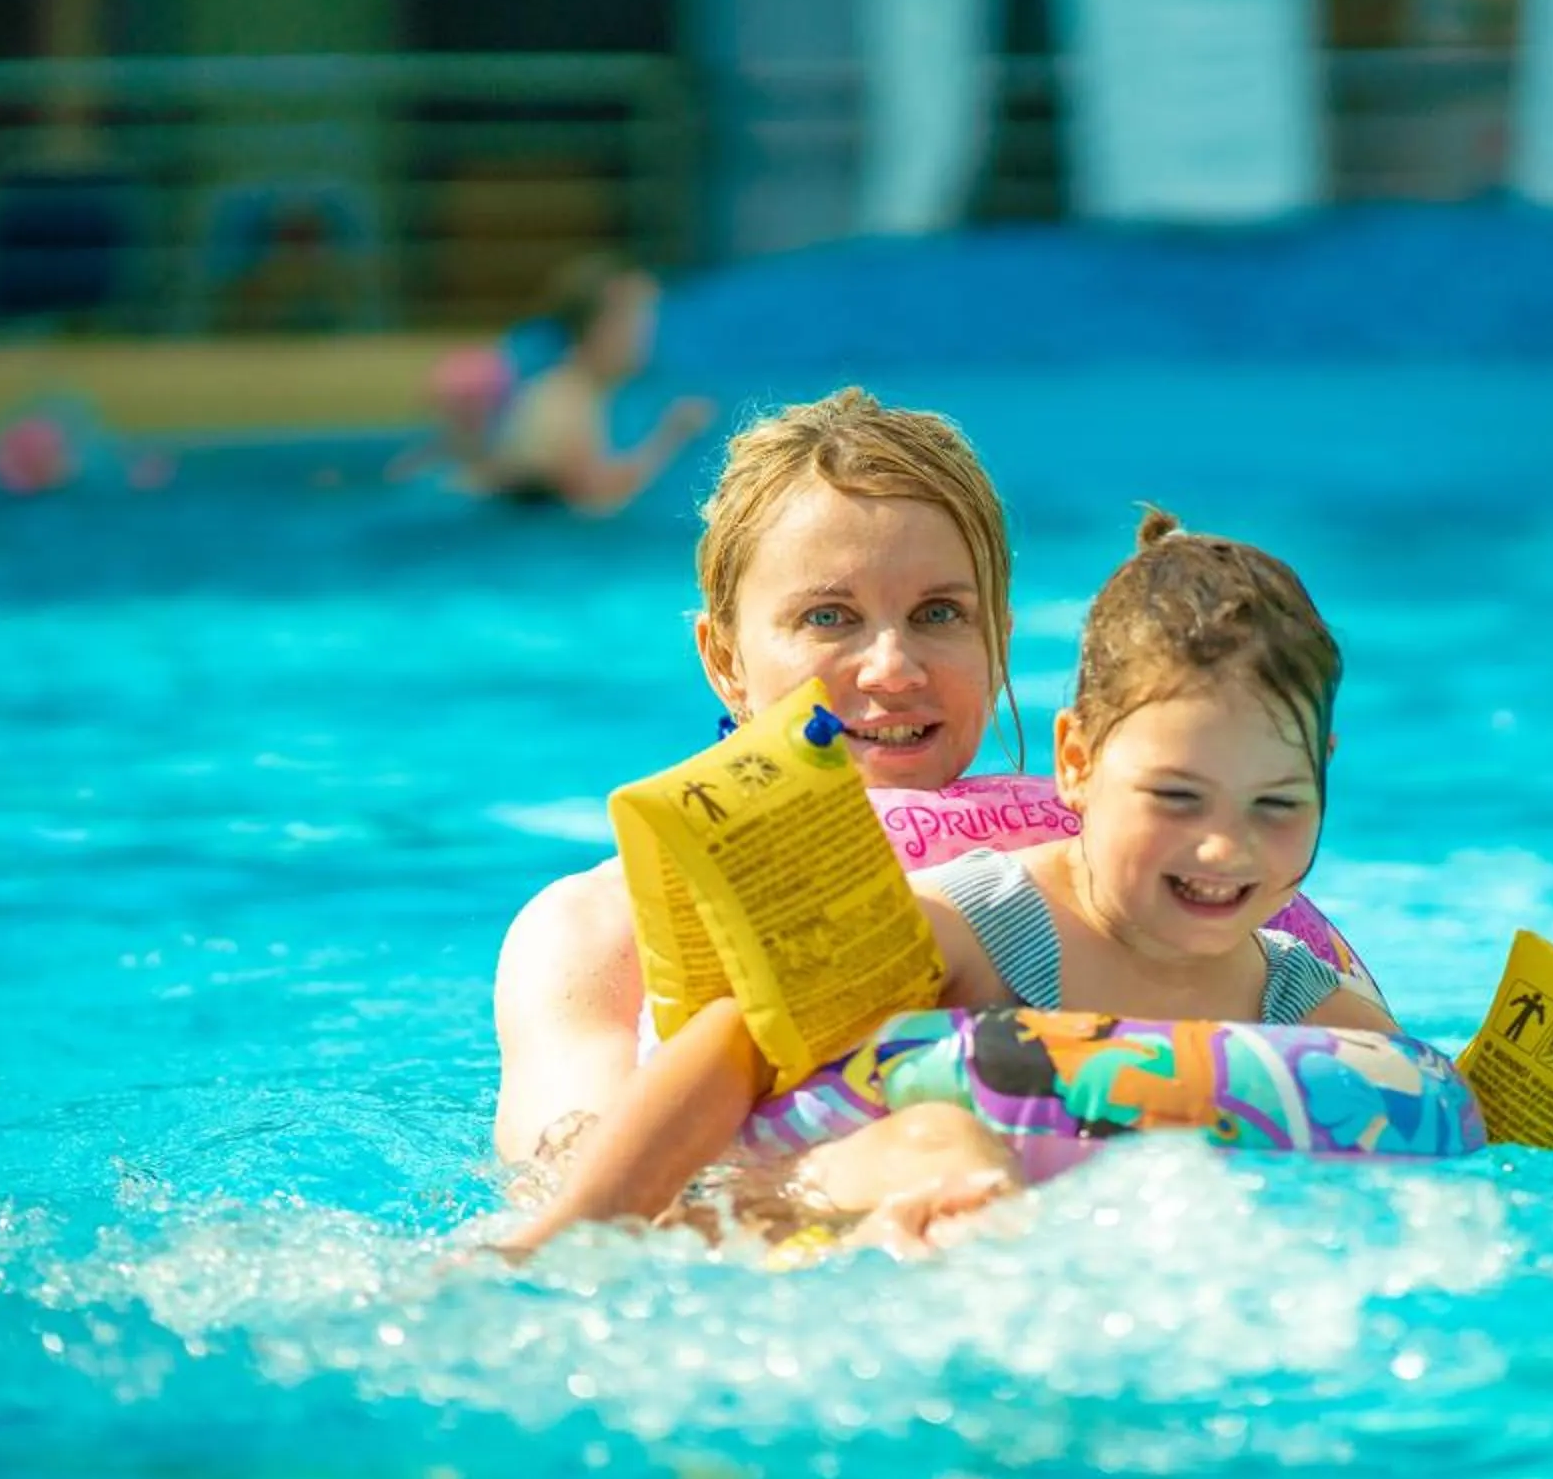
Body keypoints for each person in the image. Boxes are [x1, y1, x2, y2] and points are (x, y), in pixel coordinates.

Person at [495, 507, 1404, 1262]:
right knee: (944, 1140)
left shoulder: (1294, 993)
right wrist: (572, 1233)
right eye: (1176, 798)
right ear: (1075, 764)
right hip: (839, 1198)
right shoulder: (984, 919)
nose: (1222, 851)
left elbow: (1433, 1111)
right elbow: (739, 1043)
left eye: (1275, 805)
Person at [492, 387, 1022, 1170]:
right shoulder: (595, 934)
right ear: (724, 660)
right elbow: (569, 1193)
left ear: (999, 641)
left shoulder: (1098, 876)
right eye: (829, 617)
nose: (894, 669)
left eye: (940, 614)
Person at [393, 252, 714, 511]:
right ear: (603, 327)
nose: (646, 335)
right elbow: (597, 501)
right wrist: (672, 435)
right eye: (637, 320)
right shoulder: (564, 400)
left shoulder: (572, 392)